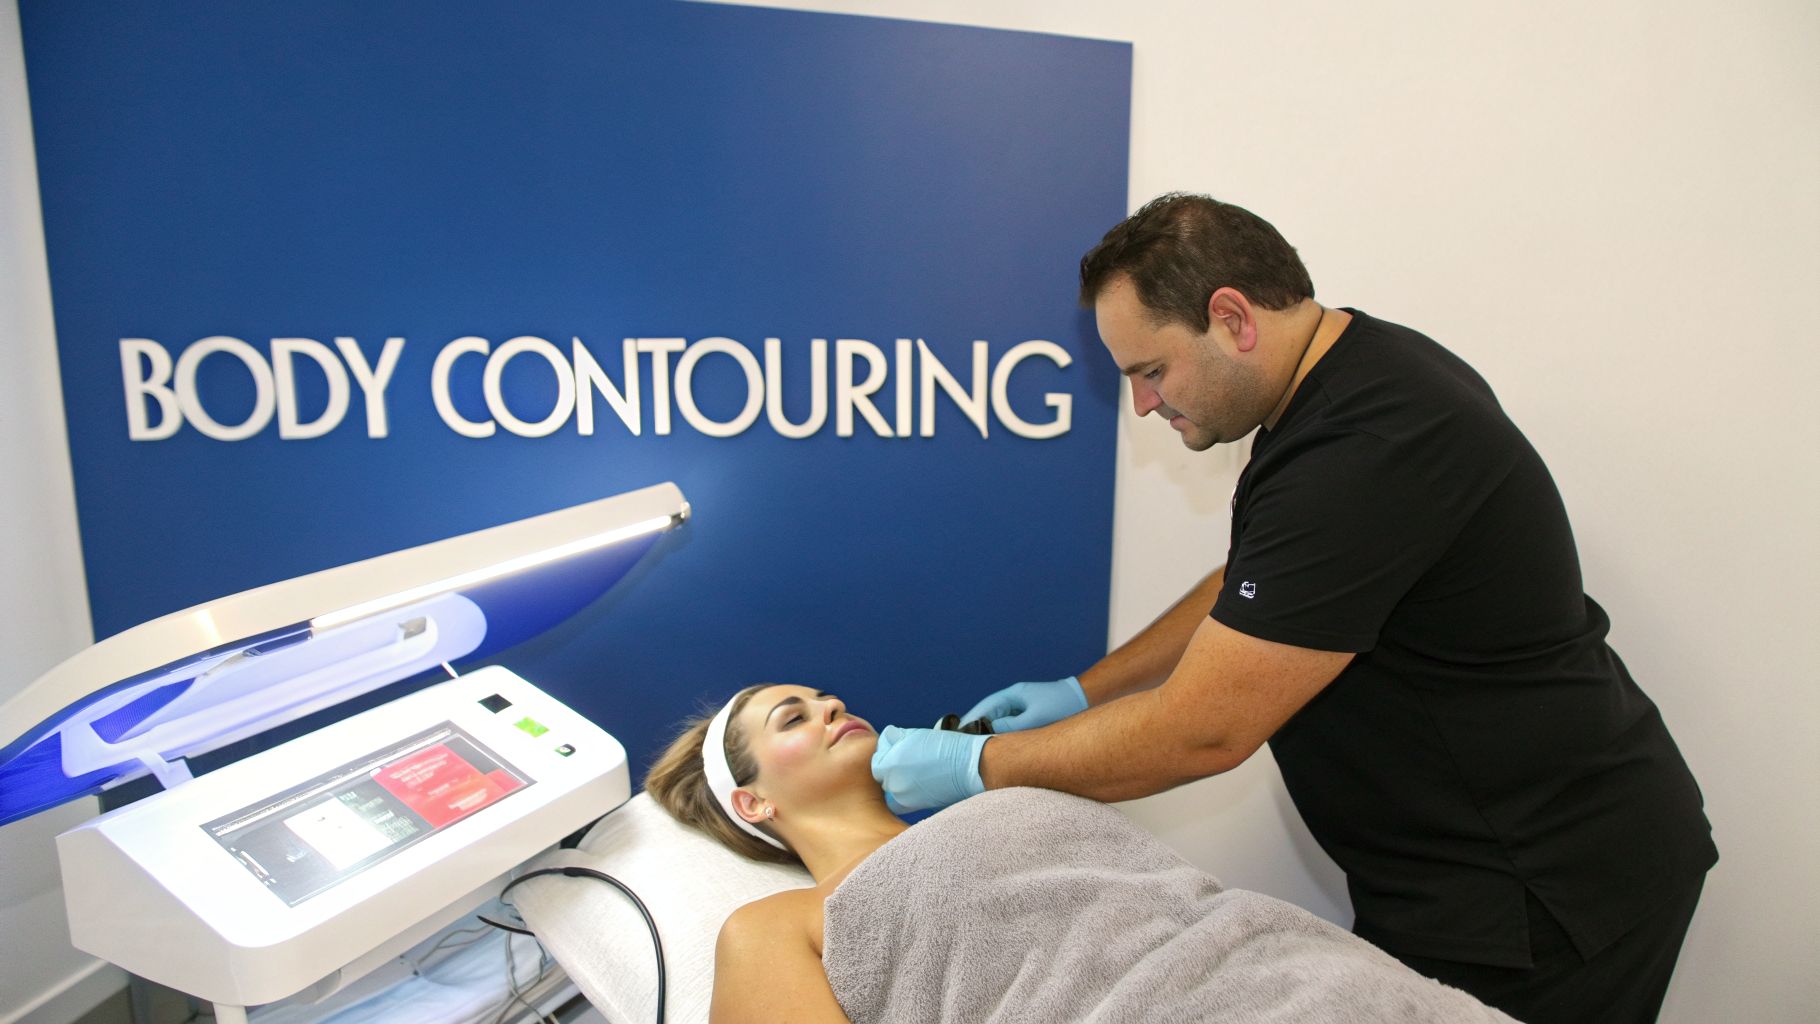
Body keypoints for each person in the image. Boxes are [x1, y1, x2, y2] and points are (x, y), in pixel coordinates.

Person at [868, 193, 1717, 1024]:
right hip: (1458, 871)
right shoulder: (1336, 378)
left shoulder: (1368, 446)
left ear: (1233, 317)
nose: (1144, 405)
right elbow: (1256, 579)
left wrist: (979, 767)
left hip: (1542, 881)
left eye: (1151, 370)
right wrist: (1087, 689)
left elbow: (1203, 731)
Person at [647, 682, 1515, 1024]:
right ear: (753, 800)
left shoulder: (999, 792)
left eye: (824, 696)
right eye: (791, 719)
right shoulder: (780, 924)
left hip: (1338, 987)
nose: (831, 705)